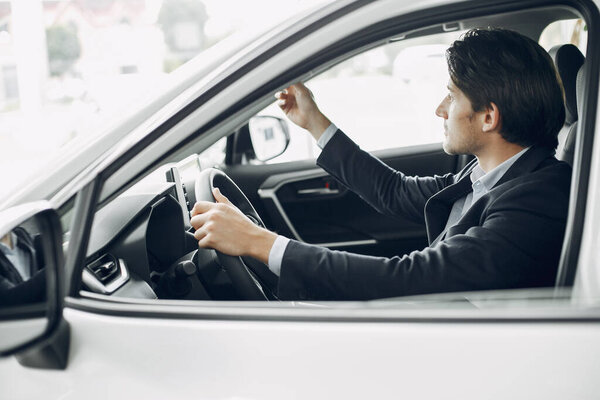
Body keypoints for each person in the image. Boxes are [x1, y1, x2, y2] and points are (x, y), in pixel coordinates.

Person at [190, 28, 571, 300]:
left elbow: (410, 278)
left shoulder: (537, 200)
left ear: (489, 117)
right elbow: (394, 191)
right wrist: (314, 122)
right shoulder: (490, 174)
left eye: (452, 97)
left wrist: (260, 242)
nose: (439, 109)